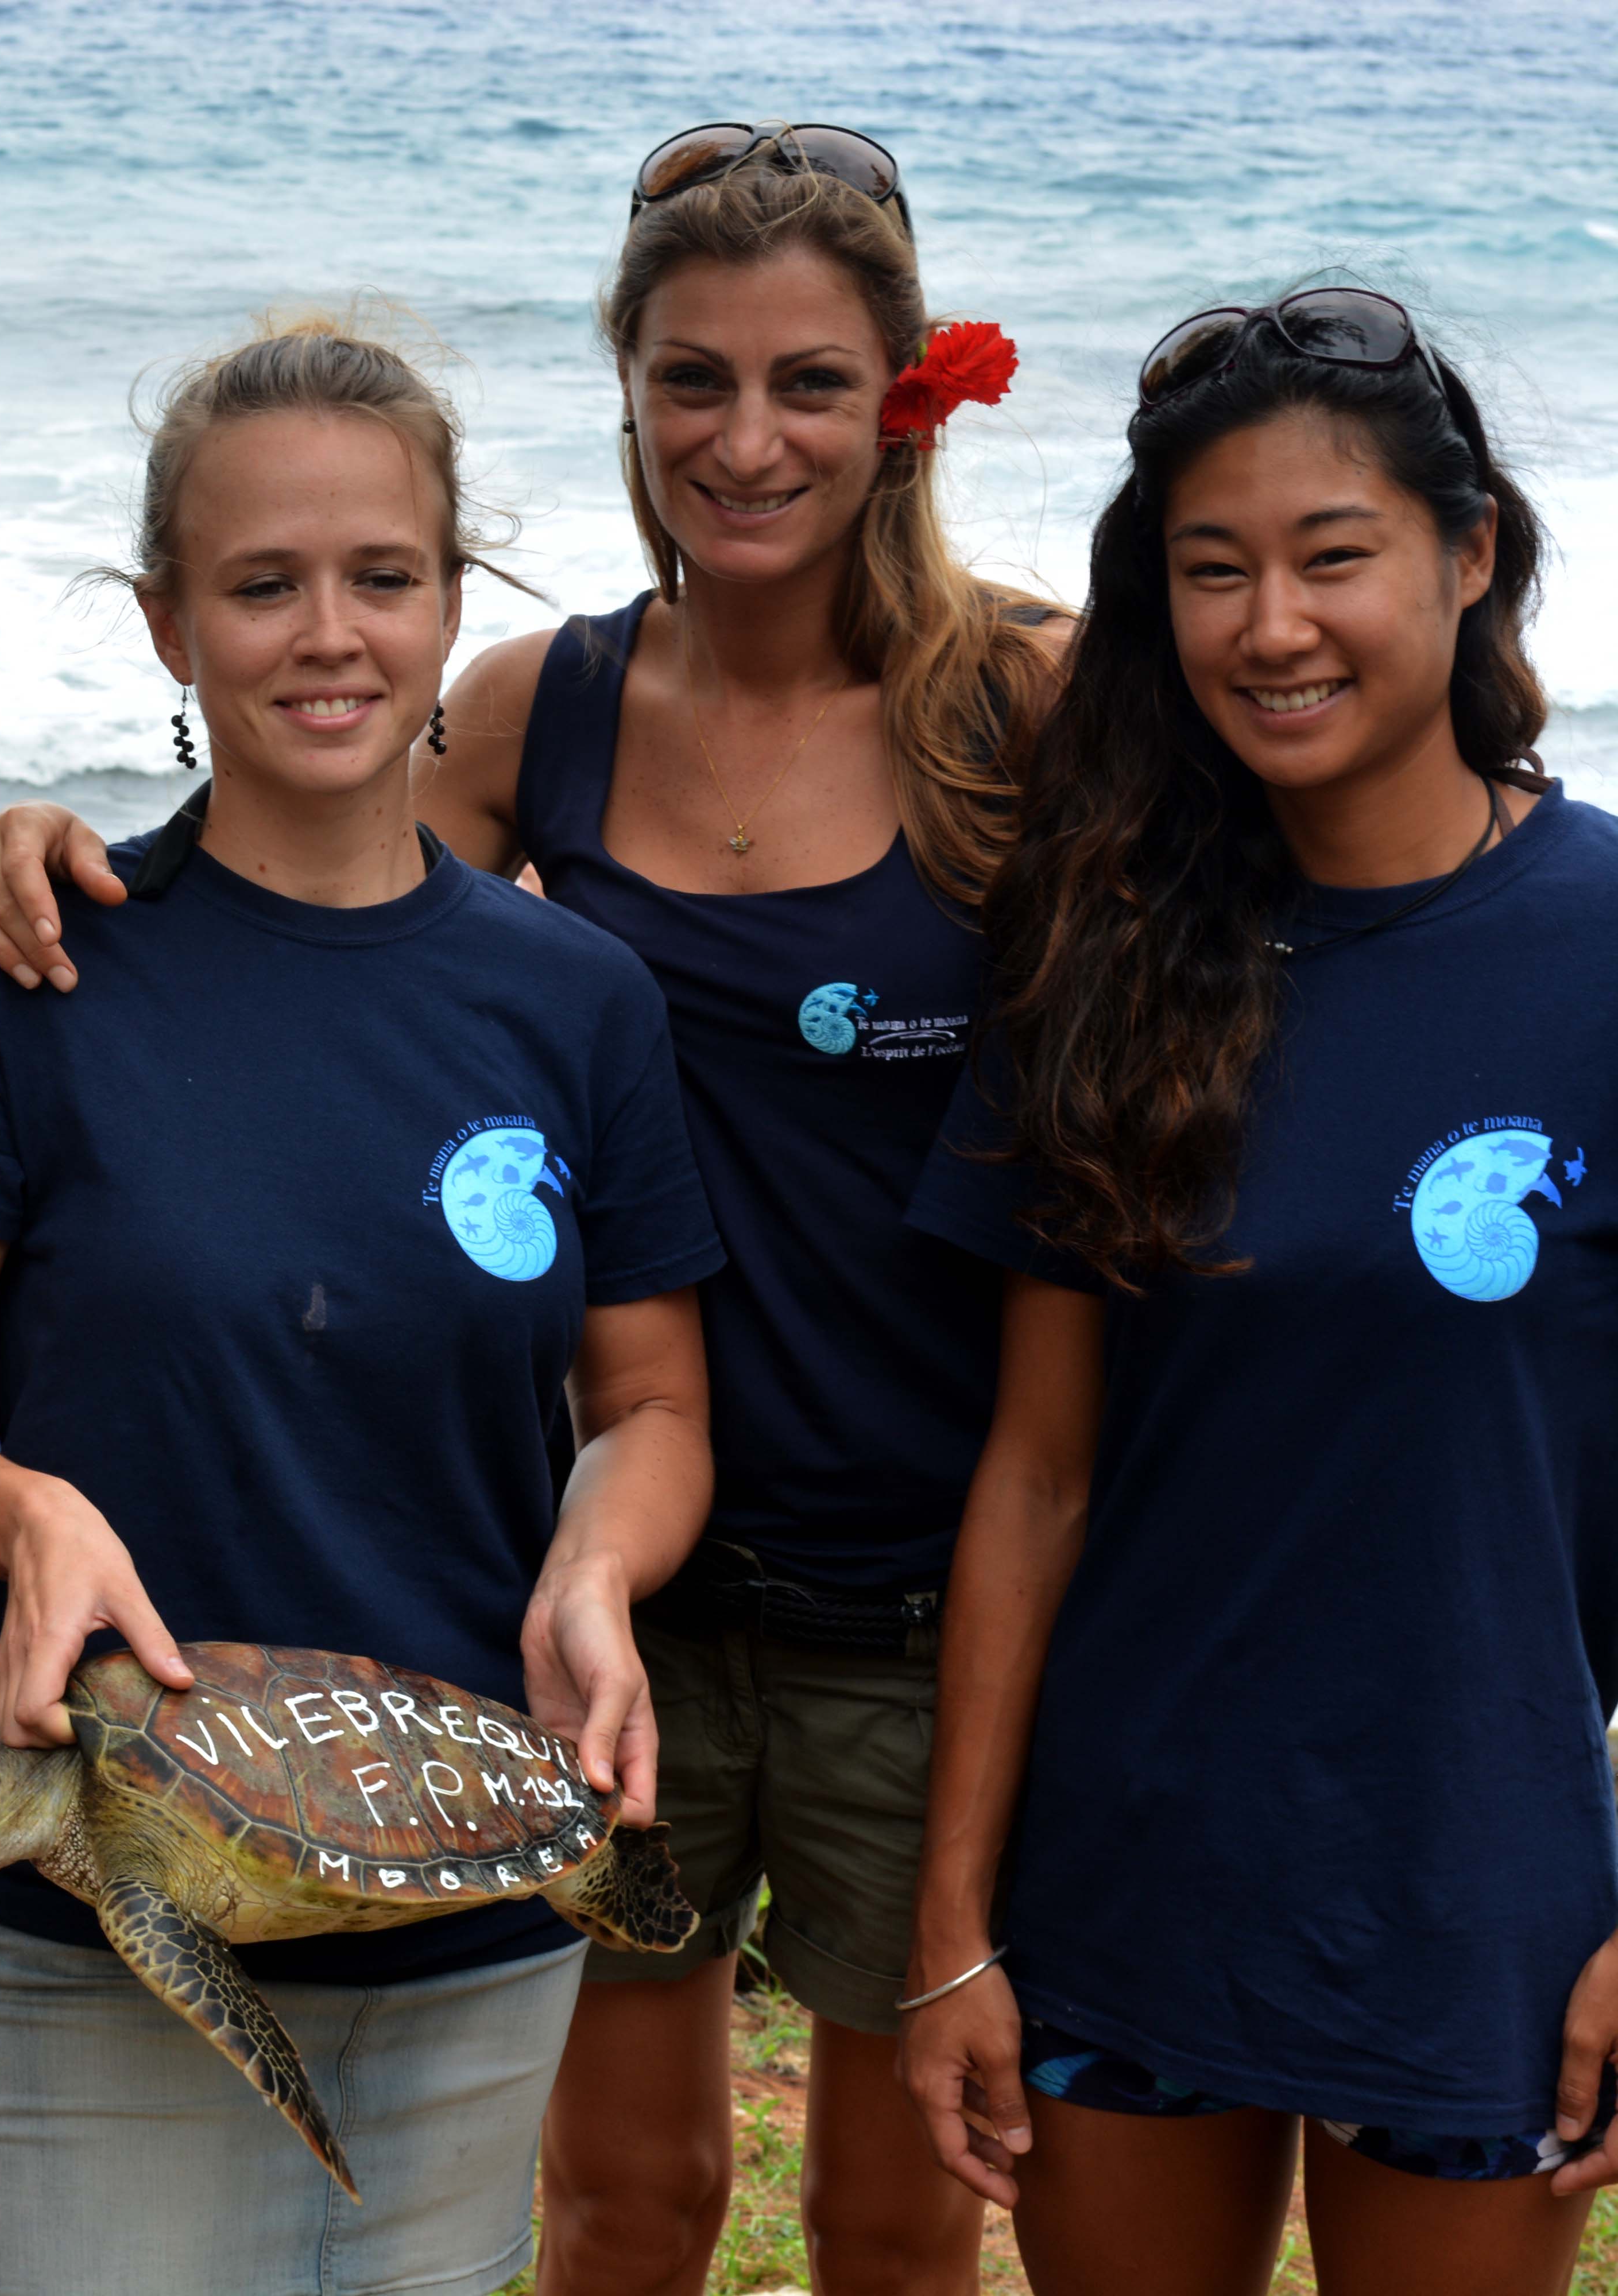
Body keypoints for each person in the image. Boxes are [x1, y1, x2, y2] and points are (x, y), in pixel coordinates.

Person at [0, 126, 1063, 2294]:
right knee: (621, 2203)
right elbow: (310, 909)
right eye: (690, 384)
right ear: (622, 396)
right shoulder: (547, 705)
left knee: (903, 2214)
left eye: (811, 383)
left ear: (905, 398)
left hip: (916, 1584)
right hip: (589, 1596)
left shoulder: (1023, 705)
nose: (746, 440)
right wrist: (20, 852)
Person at [0, 309, 725, 2296]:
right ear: (170, 625)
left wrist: (595, 1573)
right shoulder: (34, 963)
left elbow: (653, 1405)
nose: (329, 632)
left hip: (477, 1907)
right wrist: (21, 1510)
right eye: (263, 584)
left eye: (381, 577)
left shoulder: (572, 1000)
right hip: (100, 1939)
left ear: (449, 600)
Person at [897, 289, 1611, 2293]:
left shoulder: (1606, 943)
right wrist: (956, 1927)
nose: (1270, 625)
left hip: (1482, 1884)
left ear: (1470, 559)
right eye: (1213, 571)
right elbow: (1036, 1483)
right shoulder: (1109, 955)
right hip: (1135, 1875)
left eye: (1332, 557)